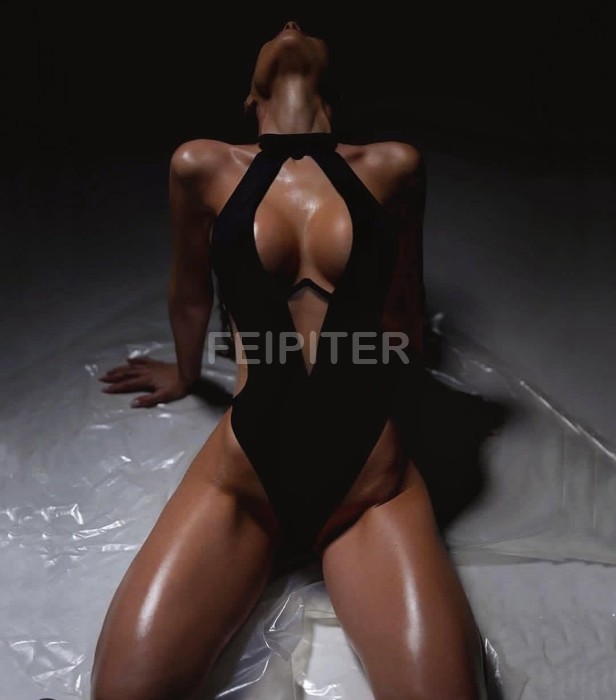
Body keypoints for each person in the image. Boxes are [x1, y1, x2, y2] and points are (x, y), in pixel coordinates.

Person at [90, 20, 490, 700]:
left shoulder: (393, 165)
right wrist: (185, 375)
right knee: (121, 695)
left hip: (371, 485)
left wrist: (414, 373)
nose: (291, 23)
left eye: (306, 24)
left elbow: (404, 299)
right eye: (276, 26)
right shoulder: (202, 164)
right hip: (245, 479)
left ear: (335, 87)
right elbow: (190, 293)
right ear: (250, 97)